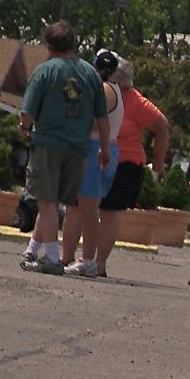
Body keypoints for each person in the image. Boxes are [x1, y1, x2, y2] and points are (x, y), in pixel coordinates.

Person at [18, 21, 110, 275]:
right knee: (59, 202)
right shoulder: (91, 74)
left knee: (46, 201)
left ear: (49, 45)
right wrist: (104, 148)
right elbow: (102, 117)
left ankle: (51, 256)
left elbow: (27, 112)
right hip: (80, 148)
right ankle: (38, 250)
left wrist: (24, 128)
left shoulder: (45, 71)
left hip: (48, 143)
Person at [86, 54, 170, 278]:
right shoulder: (100, 94)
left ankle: (99, 263)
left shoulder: (135, 101)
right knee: (85, 208)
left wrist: (158, 163)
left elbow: (162, 126)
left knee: (109, 212)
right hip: (97, 158)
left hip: (126, 163)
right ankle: (82, 258)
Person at [64, 50, 124, 278]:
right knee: (80, 207)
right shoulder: (112, 89)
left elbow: (90, 120)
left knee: (89, 209)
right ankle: (72, 258)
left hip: (96, 149)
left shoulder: (104, 90)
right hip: (101, 148)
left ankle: (88, 260)